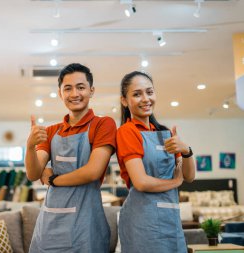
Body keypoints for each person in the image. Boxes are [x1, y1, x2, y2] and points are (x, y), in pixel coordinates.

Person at [25, 63, 116, 253]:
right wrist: (30, 146)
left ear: (91, 91)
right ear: (60, 93)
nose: (74, 94)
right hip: (51, 223)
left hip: (87, 224)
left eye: (81, 87)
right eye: (68, 88)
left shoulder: (103, 124)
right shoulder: (51, 131)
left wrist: (52, 179)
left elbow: (93, 171)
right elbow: (33, 173)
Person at [116, 71, 196, 253]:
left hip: (171, 218)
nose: (145, 99)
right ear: (124, 100)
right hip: (143, 220)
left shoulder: (165, 132)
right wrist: (175, 182)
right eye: (137, 94)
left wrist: (186, 151)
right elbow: (141, 182)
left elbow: (189, 176)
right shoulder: (127, 132)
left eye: (149, 92)